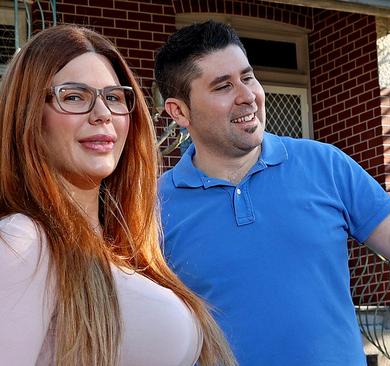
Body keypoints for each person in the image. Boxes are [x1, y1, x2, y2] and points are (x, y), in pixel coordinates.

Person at [154, 21, 390, 366]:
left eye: (247, 77)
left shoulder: (326, 165)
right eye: (223, 86)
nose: (247, 96)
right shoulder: (153, 206)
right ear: (179, 111)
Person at [0, 25, 235, 366]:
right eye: (74, 96)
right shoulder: (22, 242)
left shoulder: (127, 250)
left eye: (113, 97)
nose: (102, 114)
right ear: (28, 116)